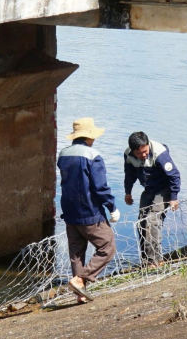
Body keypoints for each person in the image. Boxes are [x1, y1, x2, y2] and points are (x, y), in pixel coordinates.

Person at [57, 118, 119, 303]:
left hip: (69, 210)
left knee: (76, 253)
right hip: (90, 212)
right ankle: (80, 280)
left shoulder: (63, 154)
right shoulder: (94, 156)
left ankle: (80, 295)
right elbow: (100, 188)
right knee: (108, 246)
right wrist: (112, 207)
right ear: (89, 137)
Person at [123, 131, 181, 267]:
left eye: (145, 151)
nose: (143, 155)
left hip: (164, 189)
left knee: (153, 221)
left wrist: (174, 197)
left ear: (148, 145)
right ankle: (146, 259)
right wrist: (128, 192)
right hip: (149, 189)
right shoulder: (128, 155)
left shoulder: (160, 153)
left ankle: (156, 260)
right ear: (132, 151)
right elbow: (129, 174)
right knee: (141, 222)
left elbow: (174, 176)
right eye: (139, 153)